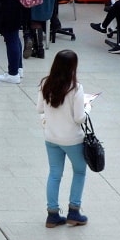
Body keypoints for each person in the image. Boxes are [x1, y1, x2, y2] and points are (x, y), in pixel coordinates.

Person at [38, 50, 89, 229]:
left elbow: (39, 109)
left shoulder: (46, 83)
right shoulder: (75, 88)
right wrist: (87, 108)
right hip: (72, 139)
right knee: (80, 171)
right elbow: (79, 118)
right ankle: (74, 211)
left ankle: (52, 214)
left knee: (54, 174)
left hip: (51, 137)